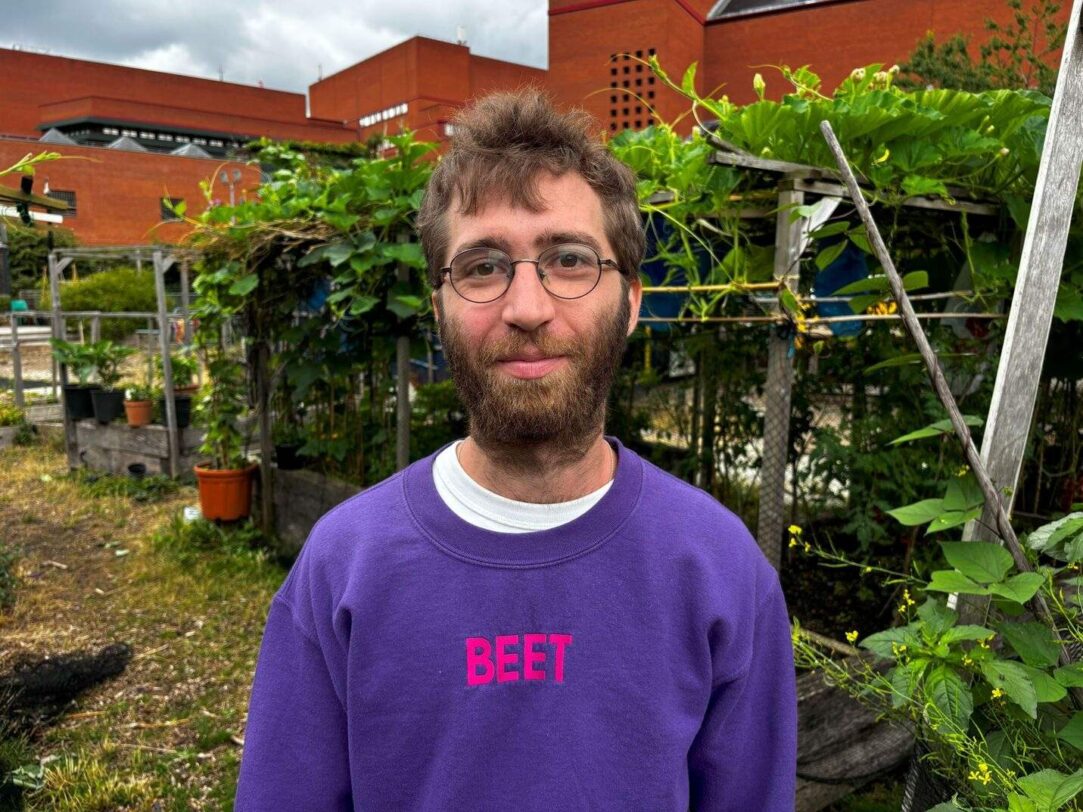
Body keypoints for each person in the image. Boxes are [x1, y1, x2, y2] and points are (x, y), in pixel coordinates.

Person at [235, 89, 797, 811]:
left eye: (569, 260)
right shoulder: (343, 566)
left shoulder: (721, 570)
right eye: (482, 267)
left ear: (630, 301)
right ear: (438, 305)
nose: (527, 309)